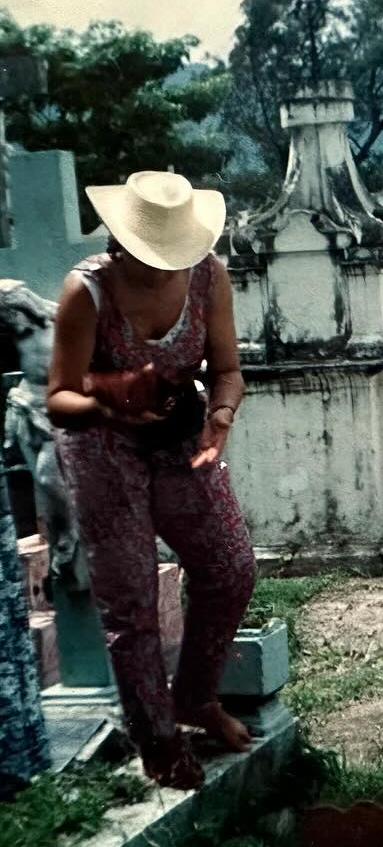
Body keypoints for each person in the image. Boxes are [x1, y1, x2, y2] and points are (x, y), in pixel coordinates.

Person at [46, 171, 257, 789]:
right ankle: (158, 738)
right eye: (150, 256)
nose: (165, 269)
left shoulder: (208, 277)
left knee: (230, 566)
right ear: (121, 243)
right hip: (102, 448)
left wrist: (221, 417)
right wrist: (111, 404)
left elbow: (227, 369)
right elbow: (58, 398)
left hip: (180, 437)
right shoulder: (87, 292)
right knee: (131, 601)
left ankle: (195, 697)